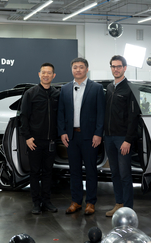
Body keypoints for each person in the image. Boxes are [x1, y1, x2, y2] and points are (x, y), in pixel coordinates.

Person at [58, 57, 105, 215]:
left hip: (90, 137)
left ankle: (90, 203)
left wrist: (98, 133)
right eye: (75, 67)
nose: (78, 70)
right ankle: (76, 201)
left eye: (81, 67)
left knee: (91, 171)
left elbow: (101, 114)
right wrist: (63, 132)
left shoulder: (96, 88)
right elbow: (61, 113)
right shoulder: (64, 89)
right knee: (74, 171)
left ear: (87, 69)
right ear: (72, 70)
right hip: (71, 137)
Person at [19, 62, 60, 215]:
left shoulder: (57, 94)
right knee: (35, 173)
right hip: (34, 142)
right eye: (43, 72)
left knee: (49, 172)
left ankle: (47, 201)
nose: (46, 75)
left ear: (53, 76)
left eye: (49, 73)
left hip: (50, 141)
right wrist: (28, 137)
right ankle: (36, 203)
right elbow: (23, 117)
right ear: (39, 74)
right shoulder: (31, 93)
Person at [104, 55, 140, 217]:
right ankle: (119, 204)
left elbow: (134, 117)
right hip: (109, 138)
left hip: (122, 139)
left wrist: (127, 140)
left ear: (125, 68)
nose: (115, 69)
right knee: (115, 173)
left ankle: (128, 208)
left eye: (119, 66)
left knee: (125, 174)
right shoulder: (110, 88)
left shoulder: (130, 88)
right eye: (113, 66)